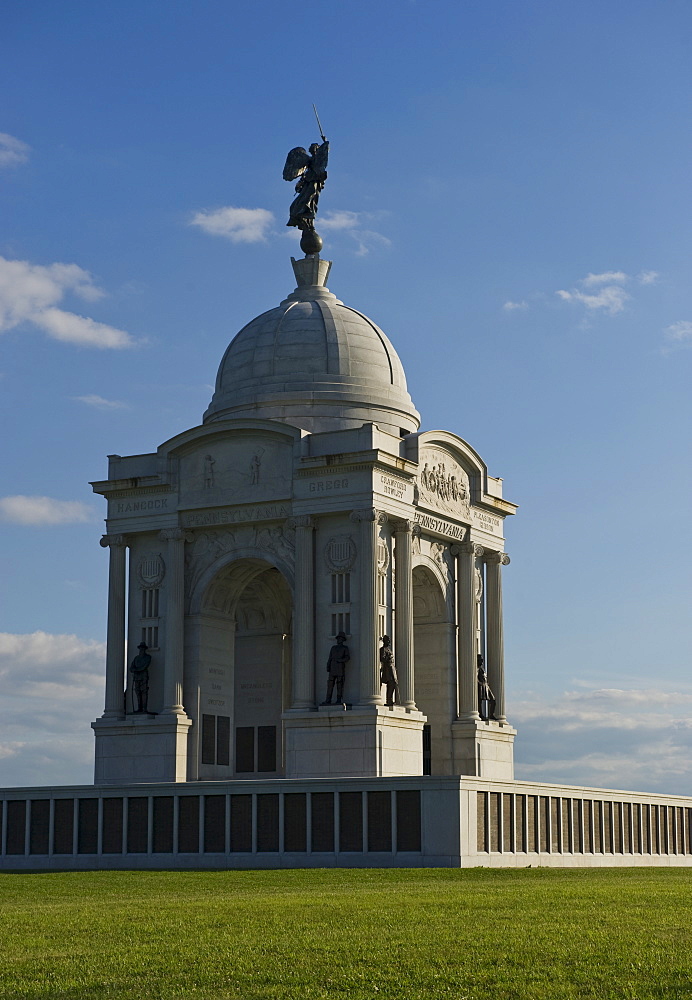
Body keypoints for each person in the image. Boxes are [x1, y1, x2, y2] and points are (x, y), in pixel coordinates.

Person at [283, 141, 329, 231]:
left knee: (310, 199)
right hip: (309, 182)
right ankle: (303, 218)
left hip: (314, 182)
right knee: (301, 201)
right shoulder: (310, 160)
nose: (312, 151)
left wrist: (325, 145)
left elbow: (321, 166)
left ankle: (308, 219)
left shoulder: (317, 159)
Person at [323, 631, 350, 704]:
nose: (338, 640)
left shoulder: (345, 648)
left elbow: (347, 658)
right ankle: (328, 699)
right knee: (330, 684)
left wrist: (340, 660)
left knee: (339, 684)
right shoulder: (333, 648)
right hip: (333, 667)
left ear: (342, 640)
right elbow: (330, 657)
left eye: (340, 639)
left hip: (340, 668)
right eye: (338, 638)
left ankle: (339, 699)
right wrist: (328, 666)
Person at [130, 642, 151, 714]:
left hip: (143, 676)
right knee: (137, 692)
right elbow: (131, 667)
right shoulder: (136, 658)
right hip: (137, 677)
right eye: (140, 648)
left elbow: (145, 666)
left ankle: (144, 708)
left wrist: (136, 670)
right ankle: (139, 708)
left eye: (143, 648)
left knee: (144, 692)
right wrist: (134, 670)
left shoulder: (148, 657)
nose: (141, 650)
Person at [380, 635, 398, 707]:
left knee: (393, 683)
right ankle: (388, 700)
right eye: (388, 640)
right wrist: (388, 658)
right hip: (387, 669)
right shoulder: (383, 649)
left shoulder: (389, 650)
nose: (389, 642)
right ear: (384, 641)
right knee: (390, 683)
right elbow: (382, 659)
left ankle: (390, 699)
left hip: (392, 668)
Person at [477, 654, 495, 721]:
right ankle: (480, 714)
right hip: (481, 686)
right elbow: (475, 677)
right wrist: (480, 683)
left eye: (482, 660)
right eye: (480, 660)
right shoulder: (477, 669)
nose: (481, 662)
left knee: (493, 699)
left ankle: (491, 715)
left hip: (486, 686)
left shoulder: (482, 669)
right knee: (480, 700)